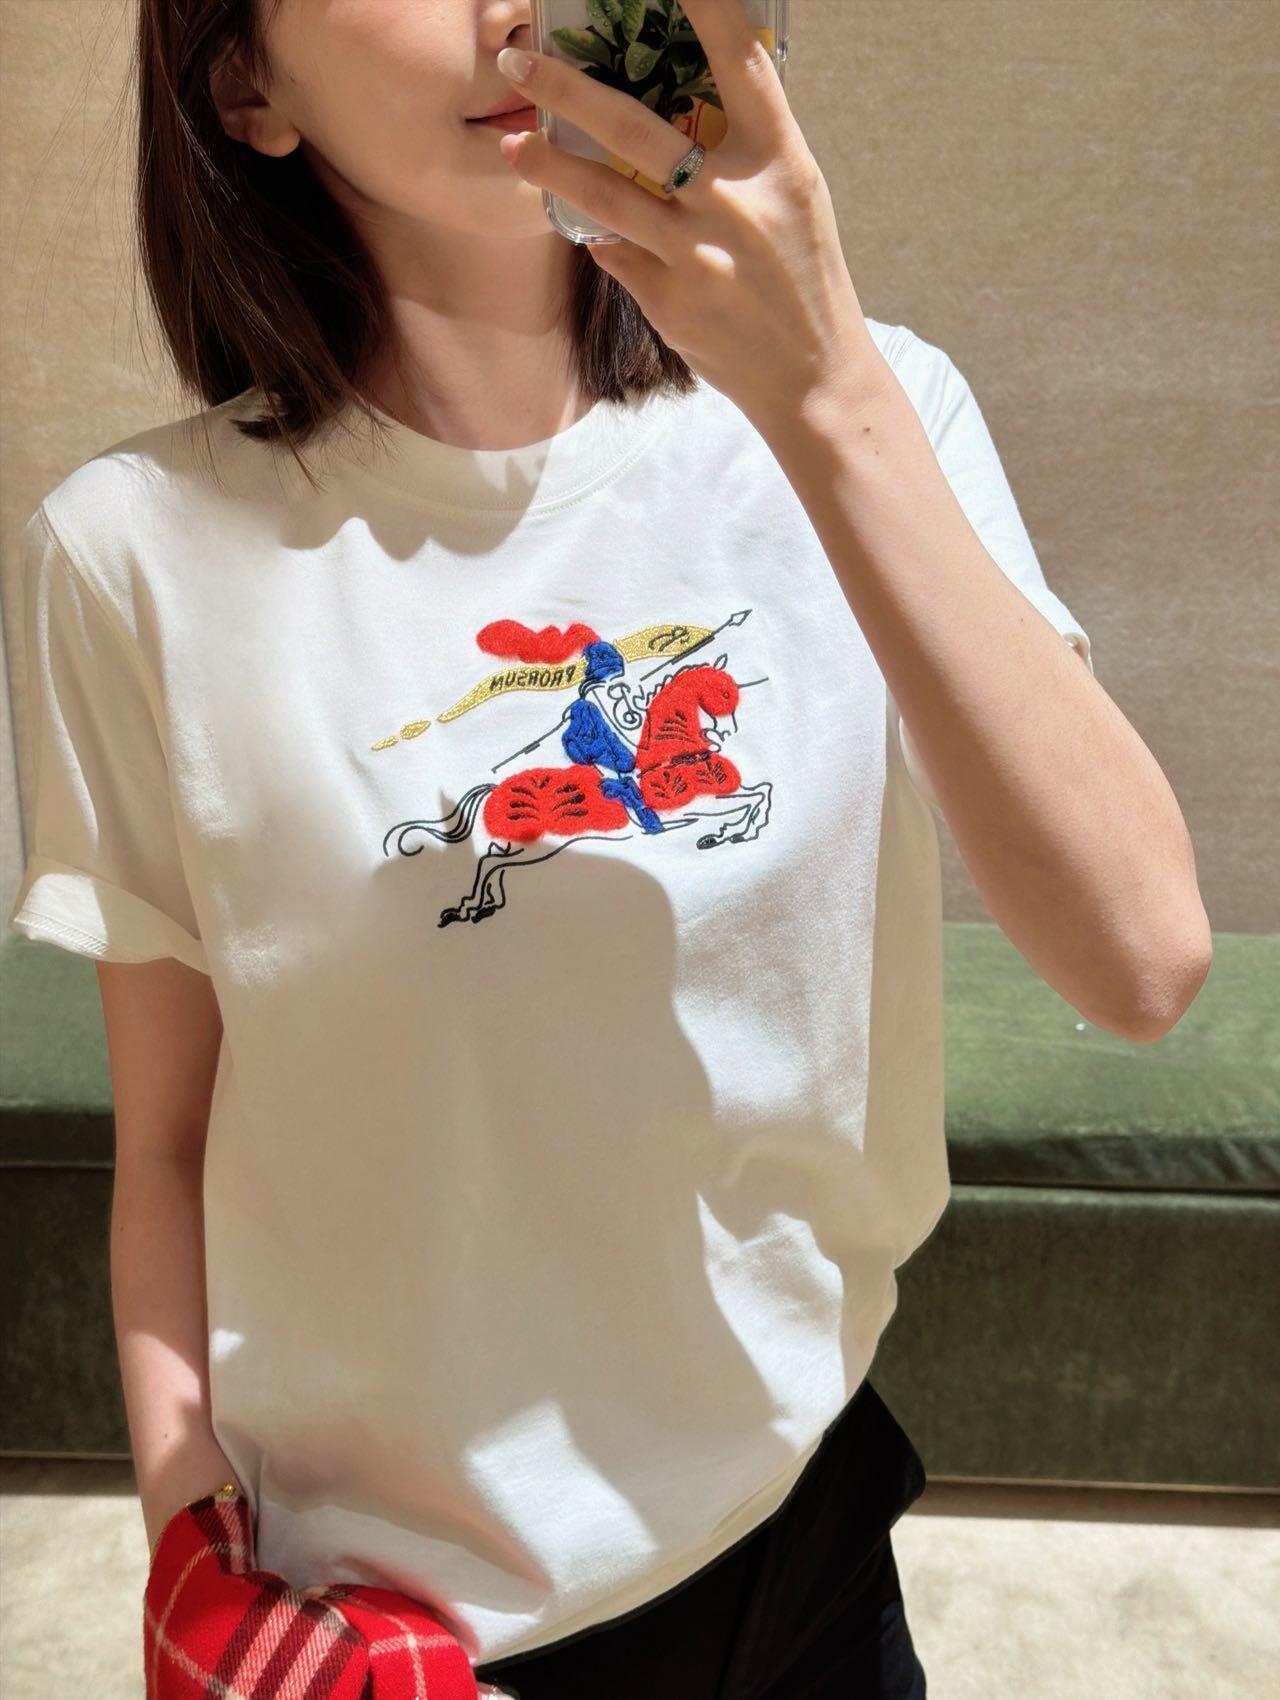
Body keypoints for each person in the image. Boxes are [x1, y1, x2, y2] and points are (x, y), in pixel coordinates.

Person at [7, 2, 1211, 1696]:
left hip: (802, 1522)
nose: (512, 8)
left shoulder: (873, 413)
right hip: (402, 1631)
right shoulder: (128, 558)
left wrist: (826, 385)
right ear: (245, 83)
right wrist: (193, 1550)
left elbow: (1142, 960)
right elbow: (174, 1144)